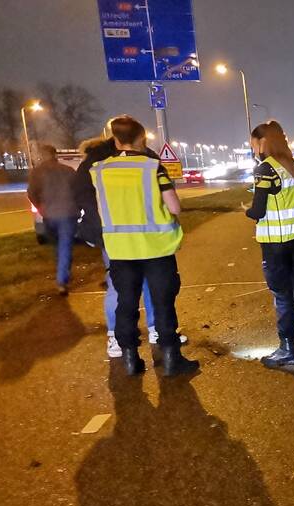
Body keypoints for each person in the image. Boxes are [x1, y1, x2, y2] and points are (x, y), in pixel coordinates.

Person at [89, 115, 198, 377]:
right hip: (156, 248)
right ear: (142, 139)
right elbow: (174, 206)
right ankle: (171, 358)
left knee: (126, 303)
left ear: (115, 140)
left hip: (120, 250)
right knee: (162, 303)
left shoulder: (100, 171)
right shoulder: (152, 168)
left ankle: (130, 359)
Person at [245, 121, 294, 367]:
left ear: (262, 142)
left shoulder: (266, 169)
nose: (253, 148)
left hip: (276, 245)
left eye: (253, 143)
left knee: (282, 295)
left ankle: (287, 348)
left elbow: (258, 210)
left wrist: (247, 211)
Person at [27, 145, 78, 295]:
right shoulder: (68, 171)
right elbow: (77, 191)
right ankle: (62, 277)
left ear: (43, 154)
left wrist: (40, 207)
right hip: (68, 213)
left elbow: (31, 193)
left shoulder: (37, 173)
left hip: (49, 214)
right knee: (65, 245)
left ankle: (62, 278)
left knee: (58, 245)